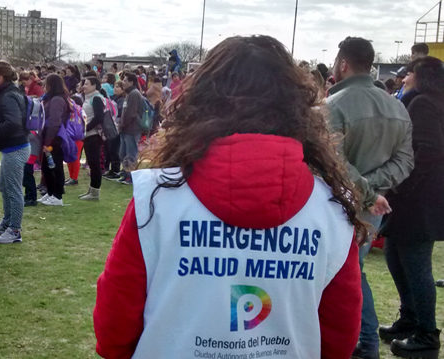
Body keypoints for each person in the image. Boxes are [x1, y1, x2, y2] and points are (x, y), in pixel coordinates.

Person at [94, 35, 364, 359]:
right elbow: (339, 336)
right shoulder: (330, 210)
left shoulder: (158, 199)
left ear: (200, 102)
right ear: (297, 110)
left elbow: (115, 326)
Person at [326, 36, 413, 359]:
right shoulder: (397, 106)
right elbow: (405, 162)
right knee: (353, 270)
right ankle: (366, 343)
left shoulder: (333, 106)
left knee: (342, 274)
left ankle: (364, 342)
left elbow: (330, 161)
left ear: (343, 64)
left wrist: (365, 189)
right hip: (372, 206)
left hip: (338, 202)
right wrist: (372, 191)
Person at [379, 56, 444, 359]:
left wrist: (402, 187)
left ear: (422, 76)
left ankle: (427, 334)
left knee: (416, 264)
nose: (403, 78)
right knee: (394, 253)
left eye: (409, 73)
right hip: (417, 199)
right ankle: (410, 320)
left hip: (418, 201)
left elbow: (427, 151)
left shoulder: (424, 104)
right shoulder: (426, 102)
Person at [0, 61, 29, 244]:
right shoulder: (8, 92)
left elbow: (14, 123)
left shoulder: (9, 95)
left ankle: (15, 230)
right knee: (4, 186)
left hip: (16, 147)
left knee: (13, 190)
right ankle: (7, 222)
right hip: (13, 147)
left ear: (0, 77)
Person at [39, 74, 69, 206]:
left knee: (55, 166)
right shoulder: (52, 99)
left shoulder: (57, 100)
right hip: (50, 136)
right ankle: (50, 192)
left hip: (55, 138)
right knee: (46, 166)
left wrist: (48, 141)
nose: (44, 87)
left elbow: (54, 122)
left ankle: (57, 195)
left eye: (46, 84)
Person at [79, 76, 107, 201]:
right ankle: (92, 190)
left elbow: (99, 118)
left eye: (87, 84)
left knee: (94, 164)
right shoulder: (89, 98)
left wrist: (86, 128)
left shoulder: (96, 98)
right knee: (91, 163)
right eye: (84, 83)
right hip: (89, 135)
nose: (84, 86)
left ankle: (95, 192)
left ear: (95, 86)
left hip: (94, 135)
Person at [117, 73, 144, 185]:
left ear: (132, 82)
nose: (123, 82)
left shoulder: (134, 94)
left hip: (132, 129)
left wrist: (122, 124)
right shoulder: (129, 94)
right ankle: (126, 173)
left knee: (131, 154)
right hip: (125, 129)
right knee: (123, 153)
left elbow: (131, 113)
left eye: (125, 80)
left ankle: (131, 177)